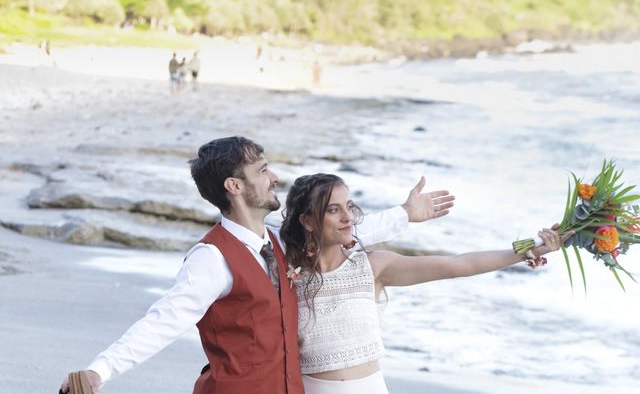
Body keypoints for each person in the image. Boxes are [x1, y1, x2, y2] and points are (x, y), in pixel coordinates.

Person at [60, 136, 455, 394]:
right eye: (263, 170)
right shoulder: (212, 258)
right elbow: (165, 320)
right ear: (234, 186)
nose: (275, 177)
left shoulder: (280, 241)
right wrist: (100, 371)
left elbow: (343, 229)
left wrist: (405, 214)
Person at [279, 173, 573, 394]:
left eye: (349, 206)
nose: (348, 218)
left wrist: (531, 249)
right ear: (307, 221)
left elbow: (458, 265)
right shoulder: (285, 274)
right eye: (334, 210)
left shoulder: (373, 266)